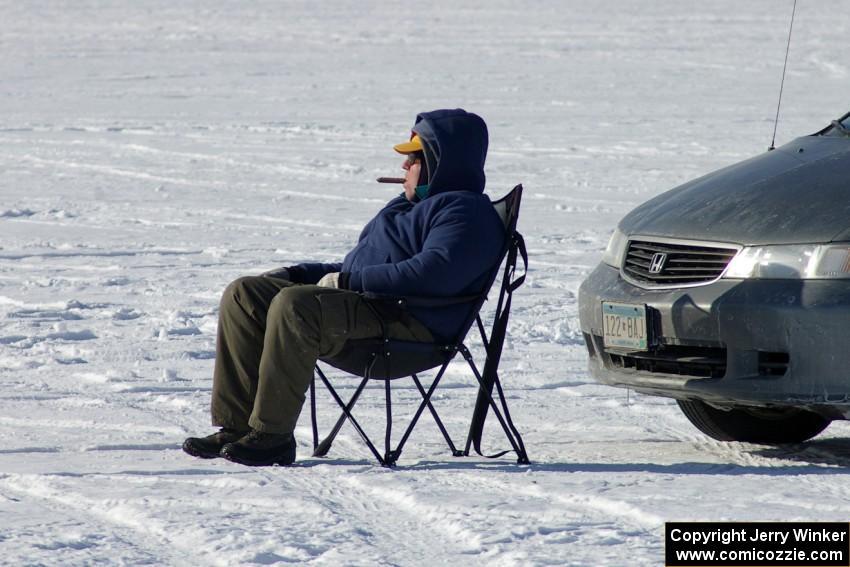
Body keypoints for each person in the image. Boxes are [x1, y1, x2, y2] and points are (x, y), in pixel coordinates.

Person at [182, 108, 505, 466]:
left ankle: (271, 436)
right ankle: (236, 428)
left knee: (296, 306)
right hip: (370, 311)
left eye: (412, 159)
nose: (403, 168)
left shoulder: (464, 212)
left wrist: (348, 282)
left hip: (410, 329)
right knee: (246, 293)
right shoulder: (405, 207)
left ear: (438, 163)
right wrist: (297, 272)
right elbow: (359, 267)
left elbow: (433, 274)